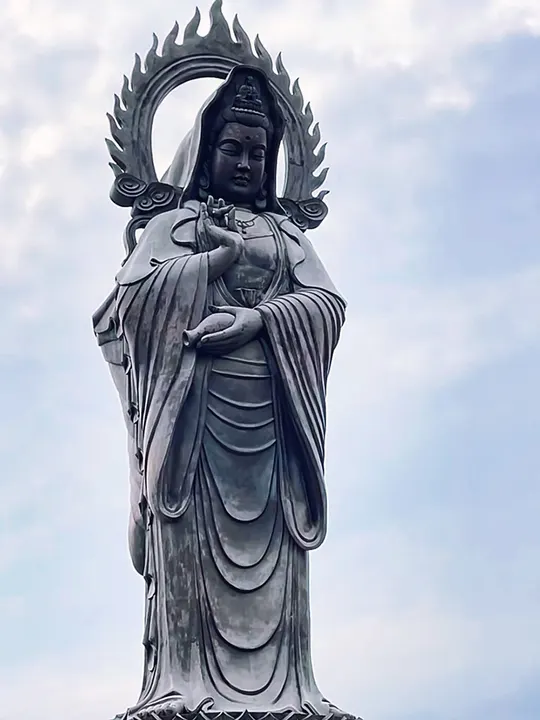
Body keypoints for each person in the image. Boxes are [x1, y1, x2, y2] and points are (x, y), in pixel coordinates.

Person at [94, 66, 347, 718]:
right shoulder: (176, 226)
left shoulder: (286, 235)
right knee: (189, 541)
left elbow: (326, 305)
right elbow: (127, 306)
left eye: (258, 153)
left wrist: (260, 320)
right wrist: (217, 261)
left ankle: (291, 691)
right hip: (193, 415)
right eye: (231, 148)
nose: (244, 163)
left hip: (274, 415)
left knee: (277, 548)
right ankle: (183, 681)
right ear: (205, 151)